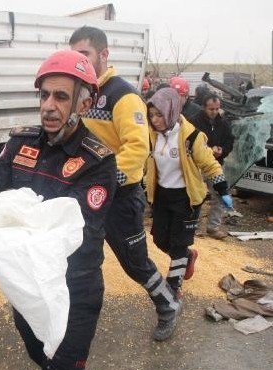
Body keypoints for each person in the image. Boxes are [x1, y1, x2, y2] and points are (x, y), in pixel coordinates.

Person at [0, 50, 116, 370]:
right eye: (44, 95)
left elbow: (72, 232)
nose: (49, 105)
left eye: (61, 96)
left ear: (83, 103)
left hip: (74, 292)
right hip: (26, 289)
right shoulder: (20, 143)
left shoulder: (98, 162)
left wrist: (3, 239)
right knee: (40, 355)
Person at [69, 25, 182, 342]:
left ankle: (168, 304)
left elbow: (137, 149)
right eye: (74, 56)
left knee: (135, 263)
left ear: (103, 54)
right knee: (80, 257)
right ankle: (77, 316)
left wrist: (107, 181)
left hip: (120, 196)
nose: (79, 62)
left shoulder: (123, 96)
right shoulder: (81, 93)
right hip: (88, 194)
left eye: (85, 55)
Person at [145, 88, 233, 296]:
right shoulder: (152, 137)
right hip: (161, 196)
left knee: (178, 243)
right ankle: (188, 256)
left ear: (171, 111)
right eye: (151, 116)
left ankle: (174, 286)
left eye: (159, 115)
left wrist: (223, 189)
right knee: (159, 239)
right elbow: (144, 163)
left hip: (186, 198)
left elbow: (210, 165)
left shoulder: (192, 137)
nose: (155, 120)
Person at [189, 93, 235, 239]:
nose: (214, 112)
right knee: (196, 196)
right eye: (211, 109)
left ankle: (213, 227)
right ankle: (192, 226)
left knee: (219, 195)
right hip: (197, 166)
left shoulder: (224, 124)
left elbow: (229, 142)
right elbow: (189, 143)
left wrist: (222, 150)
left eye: (217, 109)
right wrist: (209, 149)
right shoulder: (194, 122)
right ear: (204, 108)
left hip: (216, 165)